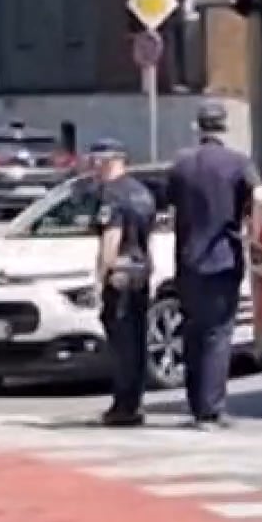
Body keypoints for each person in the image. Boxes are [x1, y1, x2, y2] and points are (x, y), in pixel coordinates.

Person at [165, 101, 262, 428]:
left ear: (198, 127)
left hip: (187, 259)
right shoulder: (238, 163)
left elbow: (170, 211)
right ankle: (211, 410)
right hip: (223, 256)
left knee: (193, 331)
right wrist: (253, 235)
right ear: (223, 127)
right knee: (218, 333)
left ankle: (195, 403)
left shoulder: (181, 164)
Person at [88, 137, 159, 427]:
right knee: (137, 339)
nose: (92, 168)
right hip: (141, 271)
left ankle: (123, 405)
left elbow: (112, 237)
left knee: (121, 345)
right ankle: (134, 401)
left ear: (107, 161)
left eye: (95, 161)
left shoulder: (112, 194)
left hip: (119, 275)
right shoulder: (142, 193)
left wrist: (99, 277)